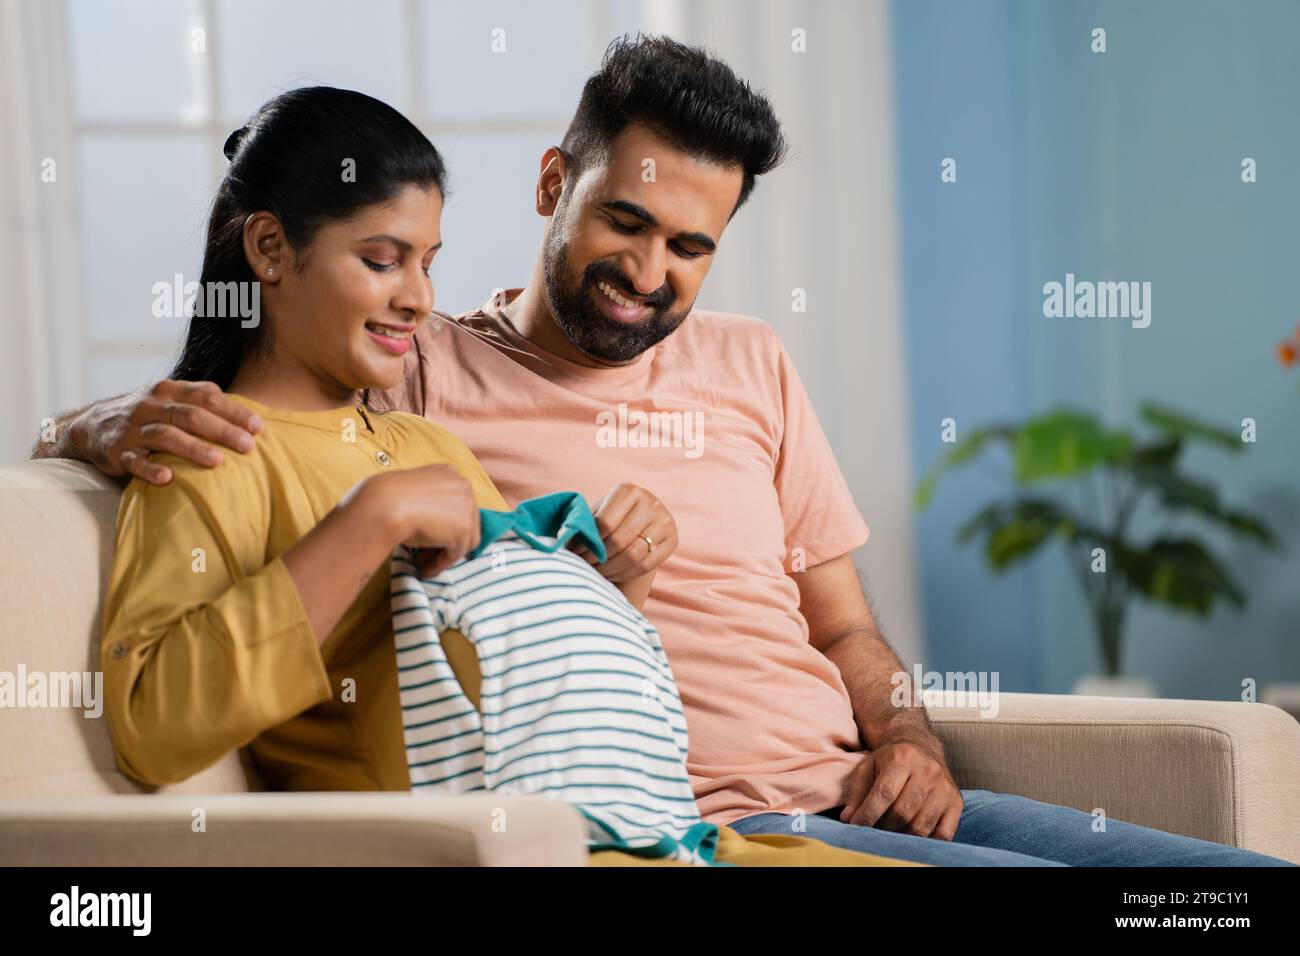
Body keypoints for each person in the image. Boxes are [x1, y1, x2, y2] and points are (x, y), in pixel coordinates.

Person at [41, 38, 1291, 866]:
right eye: (624, 222)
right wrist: (86, 424)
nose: (649, 273)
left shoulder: (750, 363)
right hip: (700, 819)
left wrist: (907, 740)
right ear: (552, 186)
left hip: (852, 784)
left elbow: (845, 628)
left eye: (689, 246)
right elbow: (266, 400)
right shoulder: (416, 376)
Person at [80, 83, 911, 870]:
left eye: (427, 263)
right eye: (381, 259)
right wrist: (366, 522)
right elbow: (155, 728)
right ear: (269, 247)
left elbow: (531, 675)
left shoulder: (425, 449)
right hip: (577, 841)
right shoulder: (206, 455)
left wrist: (623, 588)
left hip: (659, 831)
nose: (415, 297)